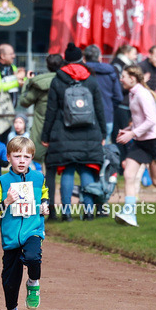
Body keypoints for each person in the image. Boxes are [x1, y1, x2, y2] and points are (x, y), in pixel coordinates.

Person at [0, 136, 49, 310]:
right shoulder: (3, 181)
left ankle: (33, 282)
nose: (22, 160)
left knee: (33, 257)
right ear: (8, 157)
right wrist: (6, 201)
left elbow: (44, 194)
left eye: (26, 156)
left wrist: (45, 205)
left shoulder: (38, 177)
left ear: (32, 158)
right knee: (10, 281)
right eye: (17, 156)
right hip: (11, 236)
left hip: (33, 230)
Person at [40, 43, 107, 220]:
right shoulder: (91, 80)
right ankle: (88, 212)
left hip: (64, 133)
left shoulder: (57, 80)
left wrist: (45, 135)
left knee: (67, 171)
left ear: (66, 60)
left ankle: (66, 213)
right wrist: (103, 133)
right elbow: (99, 109)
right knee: (86, 169)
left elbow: (51, 111)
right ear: (81, 59)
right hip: (89, 132)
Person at [114, 66, 156, 227]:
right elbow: (140, 120)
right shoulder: (133, 93)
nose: (121, 79)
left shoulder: (142, 94)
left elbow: (151, 121)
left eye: (123, 76)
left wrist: (132, 133)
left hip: (154, 143)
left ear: (132, 78)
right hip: (140, 142)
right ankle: (130, 213)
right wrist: (128, 130)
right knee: (129, 174)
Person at [19, 54, 59, 216]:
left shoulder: (39, 84)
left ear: (47, 66)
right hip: (59, 132)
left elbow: (24, 102)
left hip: (40, 133)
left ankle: (38, 205)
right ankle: (56, 209)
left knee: (37, 170)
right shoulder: (64, 81)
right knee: (54, 172)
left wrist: (27, 83)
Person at [83, 44, 123, 139]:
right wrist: (109, 107)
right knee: (104, 146)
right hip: (106, 116)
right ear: (100, 57)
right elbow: (118, 97)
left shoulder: (80, 72)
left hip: (83, 117)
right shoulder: (110, 71)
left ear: (84, 58)